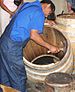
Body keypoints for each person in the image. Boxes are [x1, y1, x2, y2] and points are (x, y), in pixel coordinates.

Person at [0, 0, 61, 92]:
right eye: (49, 13)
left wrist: (45, 20)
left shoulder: (28, 5)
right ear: (48, 6)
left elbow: (26, 17)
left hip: (4, 41)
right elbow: (34, 35)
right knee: (18, 76)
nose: (47, 15)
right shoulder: (39, 12)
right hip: (12, 46)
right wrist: (50, 47)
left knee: (4, 75)